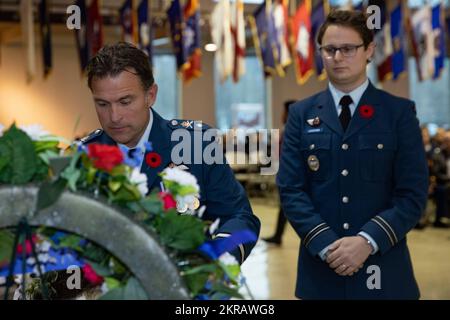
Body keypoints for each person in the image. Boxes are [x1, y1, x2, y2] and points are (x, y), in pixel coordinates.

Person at [276, 10, 428, 299]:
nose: (337, 57)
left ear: (369, 50)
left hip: (384, 270)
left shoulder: (398, 113)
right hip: (321, 270)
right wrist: (326, 245)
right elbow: (291, 189)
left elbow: (412, 193)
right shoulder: (301, 113)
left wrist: (367, 241)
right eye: (329, 49)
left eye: (348, 49)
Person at [79, 42, 260, 264]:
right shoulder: (84, 156)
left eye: (125, 101)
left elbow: (238, 216)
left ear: (151, 95)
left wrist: (216, 259)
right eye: (103, 104)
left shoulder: (196, 144)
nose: (114, 116)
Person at [263, 100, 296, 245]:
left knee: (289, 206)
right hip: (286, 172)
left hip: (291, 175)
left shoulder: (292, 129)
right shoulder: (289, 129)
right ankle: (277, 236)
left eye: (283, 112)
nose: (281, 115)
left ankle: (278, 236)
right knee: (285, 207)